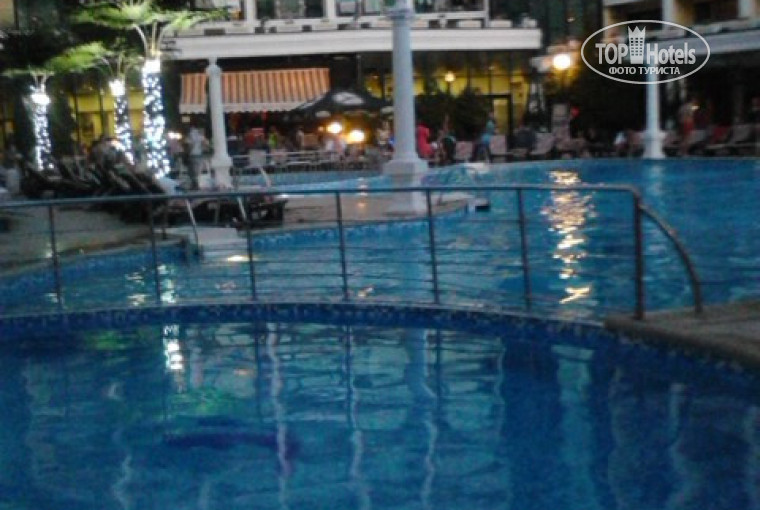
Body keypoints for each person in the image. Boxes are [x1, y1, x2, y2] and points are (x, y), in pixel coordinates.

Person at [186, 125, 208, 190]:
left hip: (193, 154)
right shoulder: (201, 136)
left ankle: (194, 184)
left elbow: (190, 145)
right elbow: (205, 144)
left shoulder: (191, 136)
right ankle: (197, 184)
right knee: (198, 170)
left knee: (193, 170)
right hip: (199, 154)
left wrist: (188, 151)